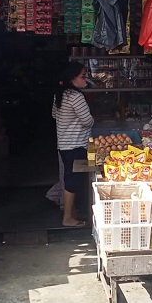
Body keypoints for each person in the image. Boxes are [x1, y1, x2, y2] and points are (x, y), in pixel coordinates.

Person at [52, 62, 94, 227]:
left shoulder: (60, 95)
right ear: (72, 79)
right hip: (76, 145)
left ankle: (72, 213)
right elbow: (87, 121)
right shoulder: (76, 96)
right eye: (83, 76)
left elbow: (54, 115)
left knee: (70, 177)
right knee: (73, 180)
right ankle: (67, 218)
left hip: (64, 144)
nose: (86, 80)